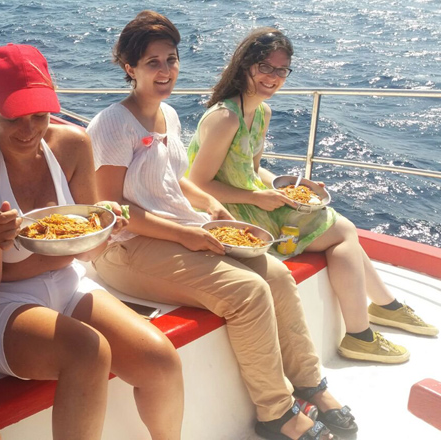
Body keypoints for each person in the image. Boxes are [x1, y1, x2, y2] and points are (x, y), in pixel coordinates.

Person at [87, 11, 353, 440]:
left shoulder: (168, 116)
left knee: (278, 276)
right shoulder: (111, 125)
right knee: (247, 292)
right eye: (153, 62)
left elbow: (173, 183)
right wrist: (187, 234)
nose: (165, 71)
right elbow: (112, 210)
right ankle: (276, 413)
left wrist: (212, 206)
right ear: (129, 67)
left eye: (171, 60)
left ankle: (309, 382)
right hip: (127, 247)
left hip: (179, 230)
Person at [0, 43, 184, 440]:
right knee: (87, 353)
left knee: (160, 360)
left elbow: (88, 249)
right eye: (13, 118)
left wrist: (108, 224)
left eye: (40, 115)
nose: (29, 130)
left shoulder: (73, 145)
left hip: (67, 284)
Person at [185, 27, 437, 366]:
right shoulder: (226, 117)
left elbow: (251, 169)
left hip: (250, 199)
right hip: (228, 212)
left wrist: (292, 186)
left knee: (341, 231)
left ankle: (379, 312)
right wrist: (259, 199)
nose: (273, 77)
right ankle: (370, 323)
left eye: (280, 70)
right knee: (344, 231)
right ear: (245, 65)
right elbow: (198, 183)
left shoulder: (260, 112)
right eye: (265, 67)